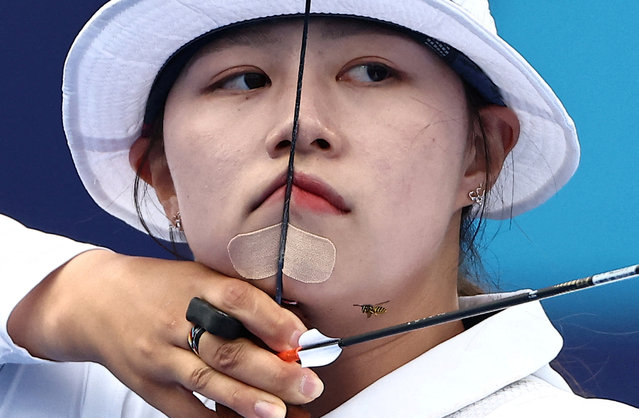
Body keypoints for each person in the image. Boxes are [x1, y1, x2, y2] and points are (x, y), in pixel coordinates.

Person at [1, 1, 637, 417]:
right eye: (244, 80)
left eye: (372, 73)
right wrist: (64, 292)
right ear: (161, 175)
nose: (300, 127)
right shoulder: (57, 387)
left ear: (480, 153)